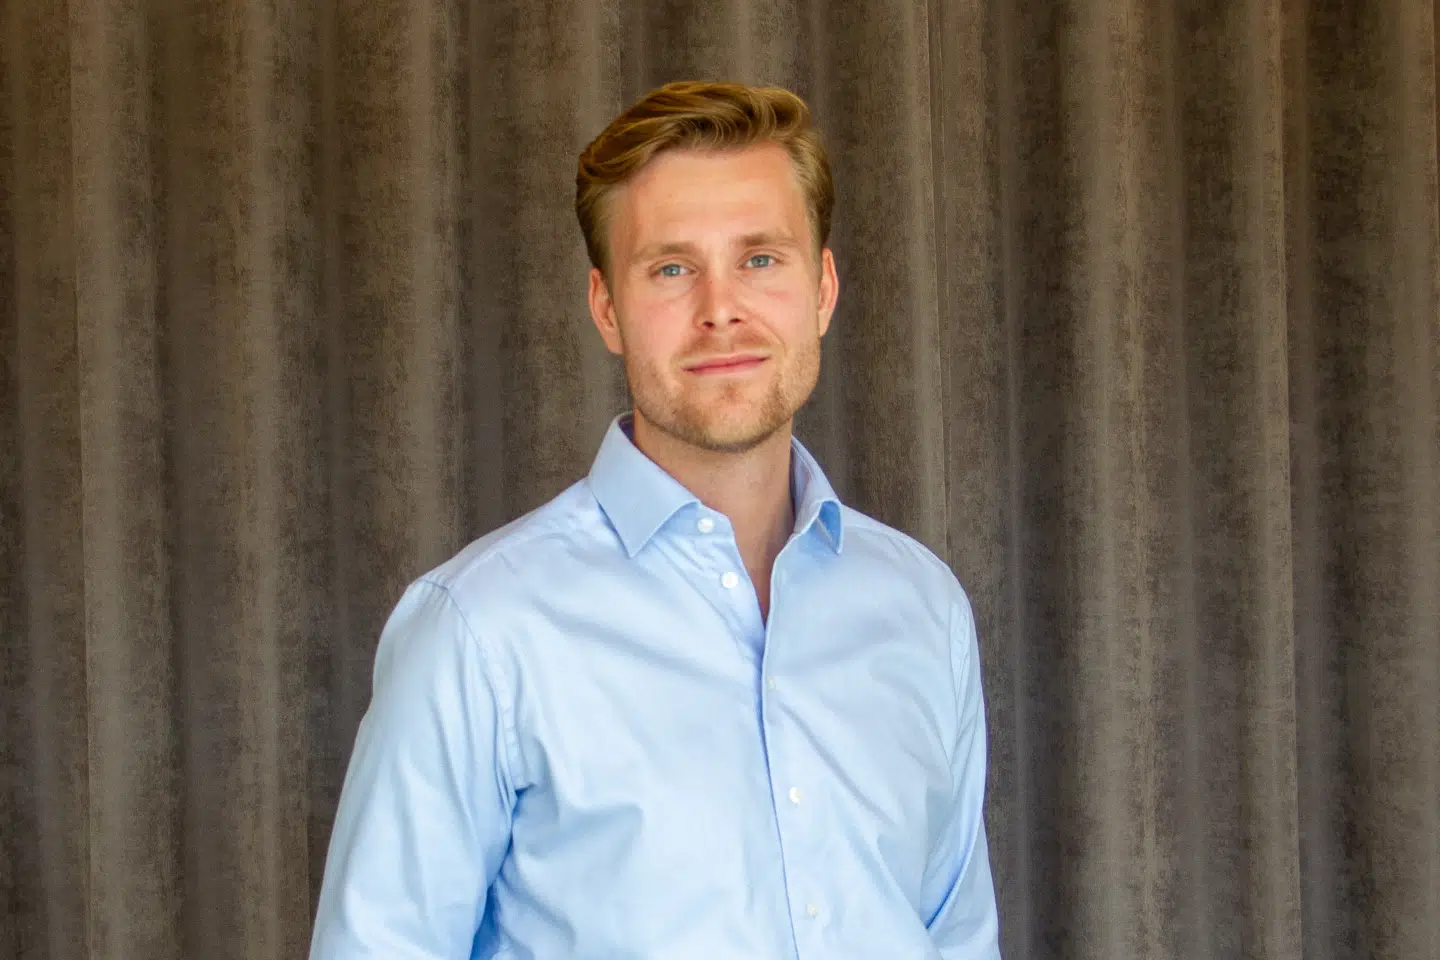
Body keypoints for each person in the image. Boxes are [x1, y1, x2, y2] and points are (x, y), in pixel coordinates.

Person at [309, 80, 1001, 959]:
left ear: (823, 288)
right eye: (672, 268)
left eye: (761, 259)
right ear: (607, 309)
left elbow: (958, 938)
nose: (721, 309)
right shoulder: (479, 633)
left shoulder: (924, 609)